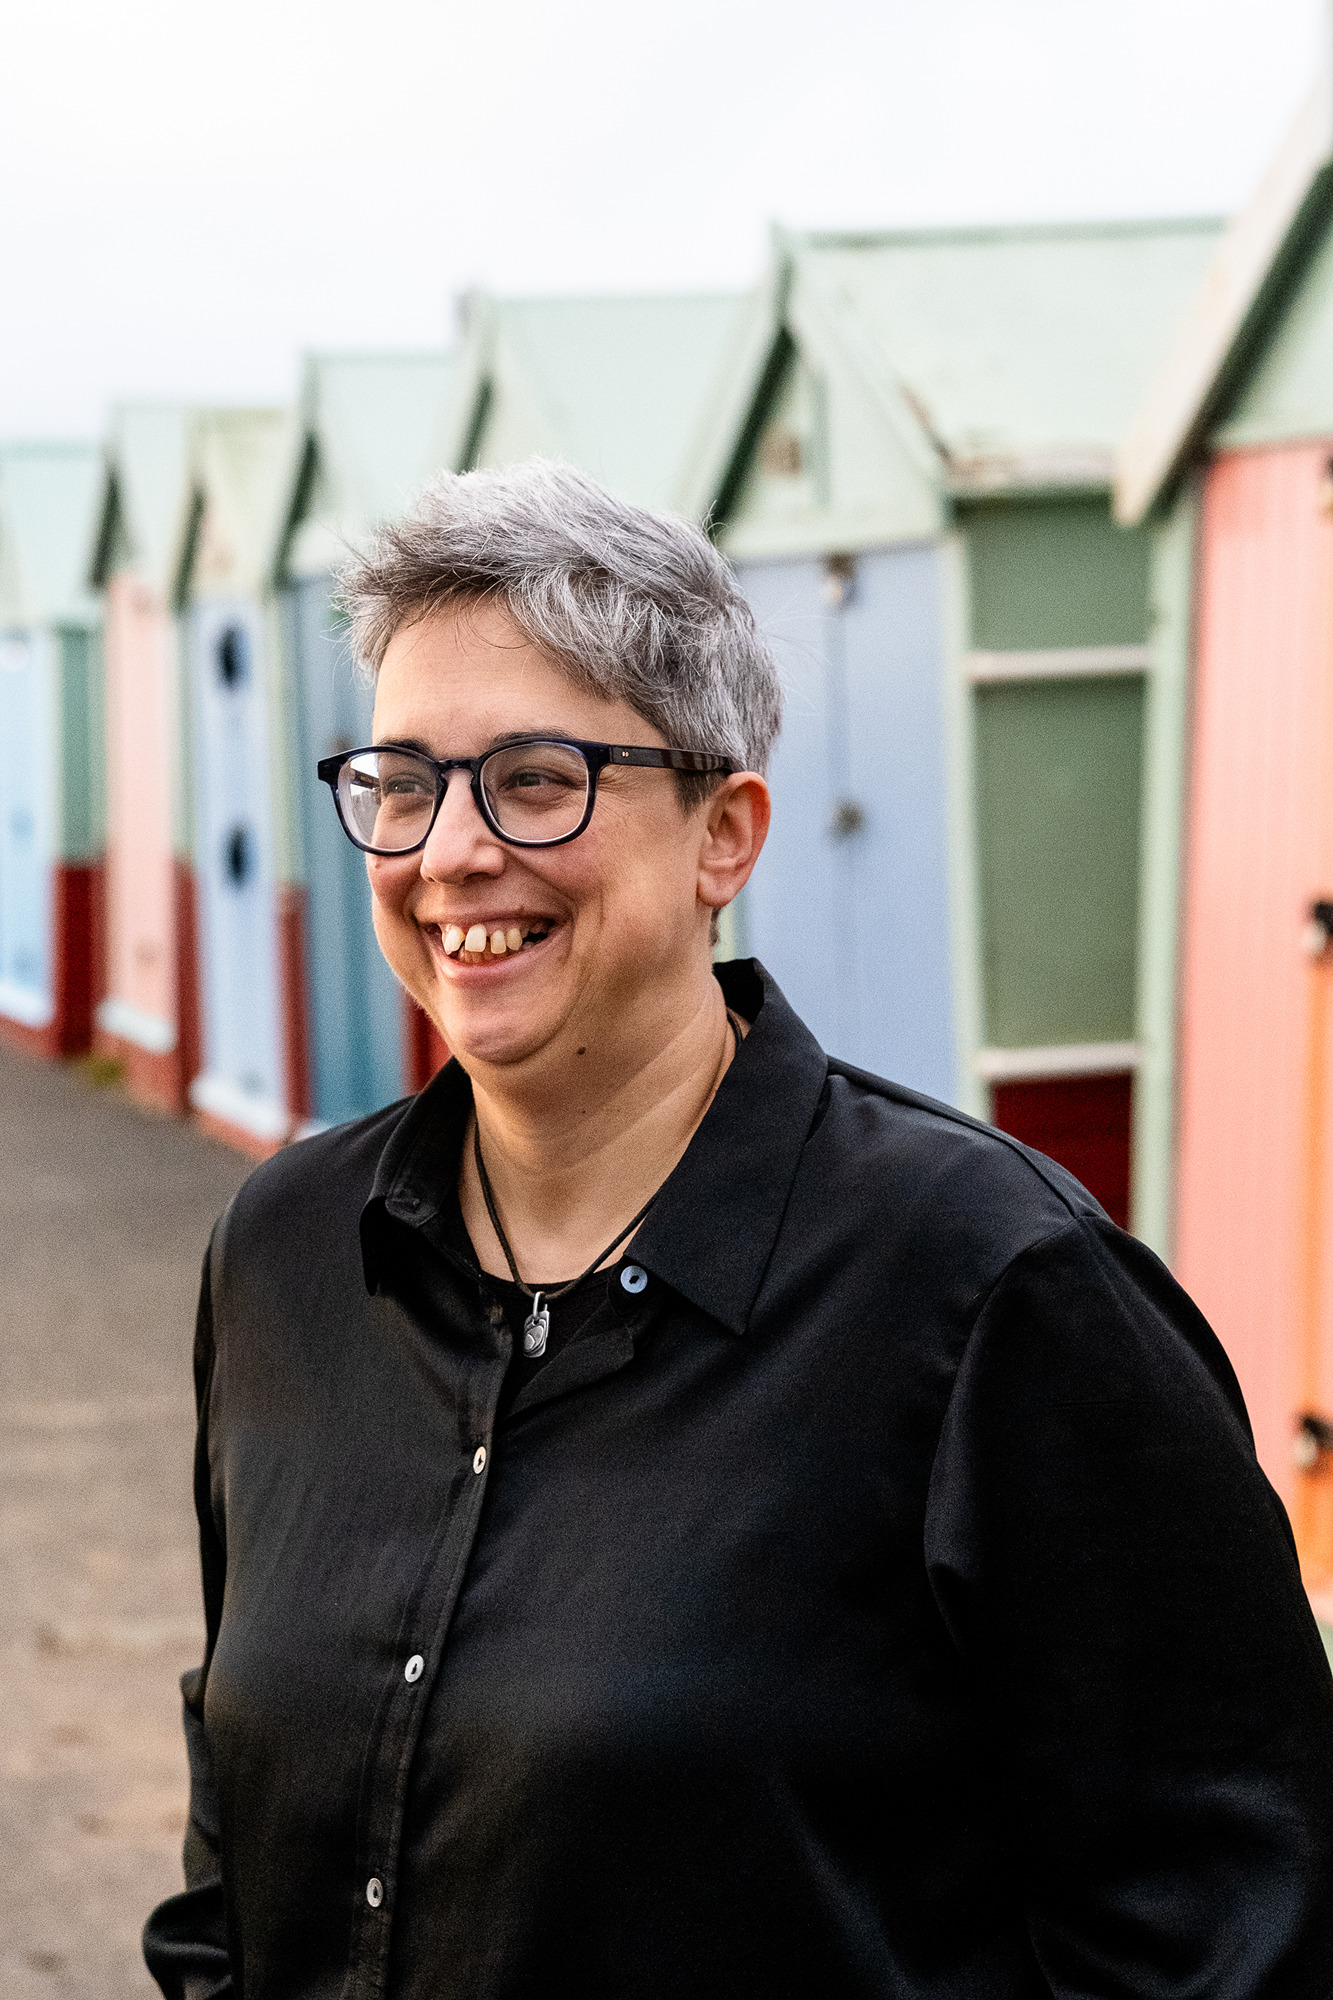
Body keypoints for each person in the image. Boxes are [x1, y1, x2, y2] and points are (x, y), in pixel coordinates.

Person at [145, 460, 1333, 2000]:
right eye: (401, 781)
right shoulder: (288, 1256)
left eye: (534, 777)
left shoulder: (995, 1297)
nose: (446, 855)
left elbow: (1227, 1944)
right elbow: (237, 1867)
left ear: (727, 834)